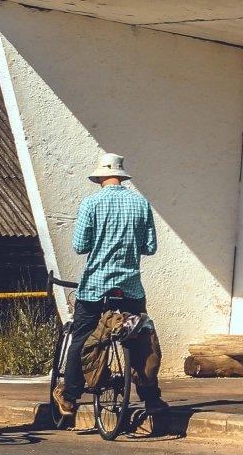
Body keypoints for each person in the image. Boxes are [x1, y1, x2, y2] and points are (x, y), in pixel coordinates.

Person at [53, 153, 166, 422]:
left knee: (81, 336)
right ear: (122, 176)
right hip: (130, 287)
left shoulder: (91, 203)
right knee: (139, 337)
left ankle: (69, 397)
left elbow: (80, 246)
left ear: (100, 178)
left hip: (95, 286)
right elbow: (150, 247)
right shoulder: (141, 203)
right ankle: (151, 398)